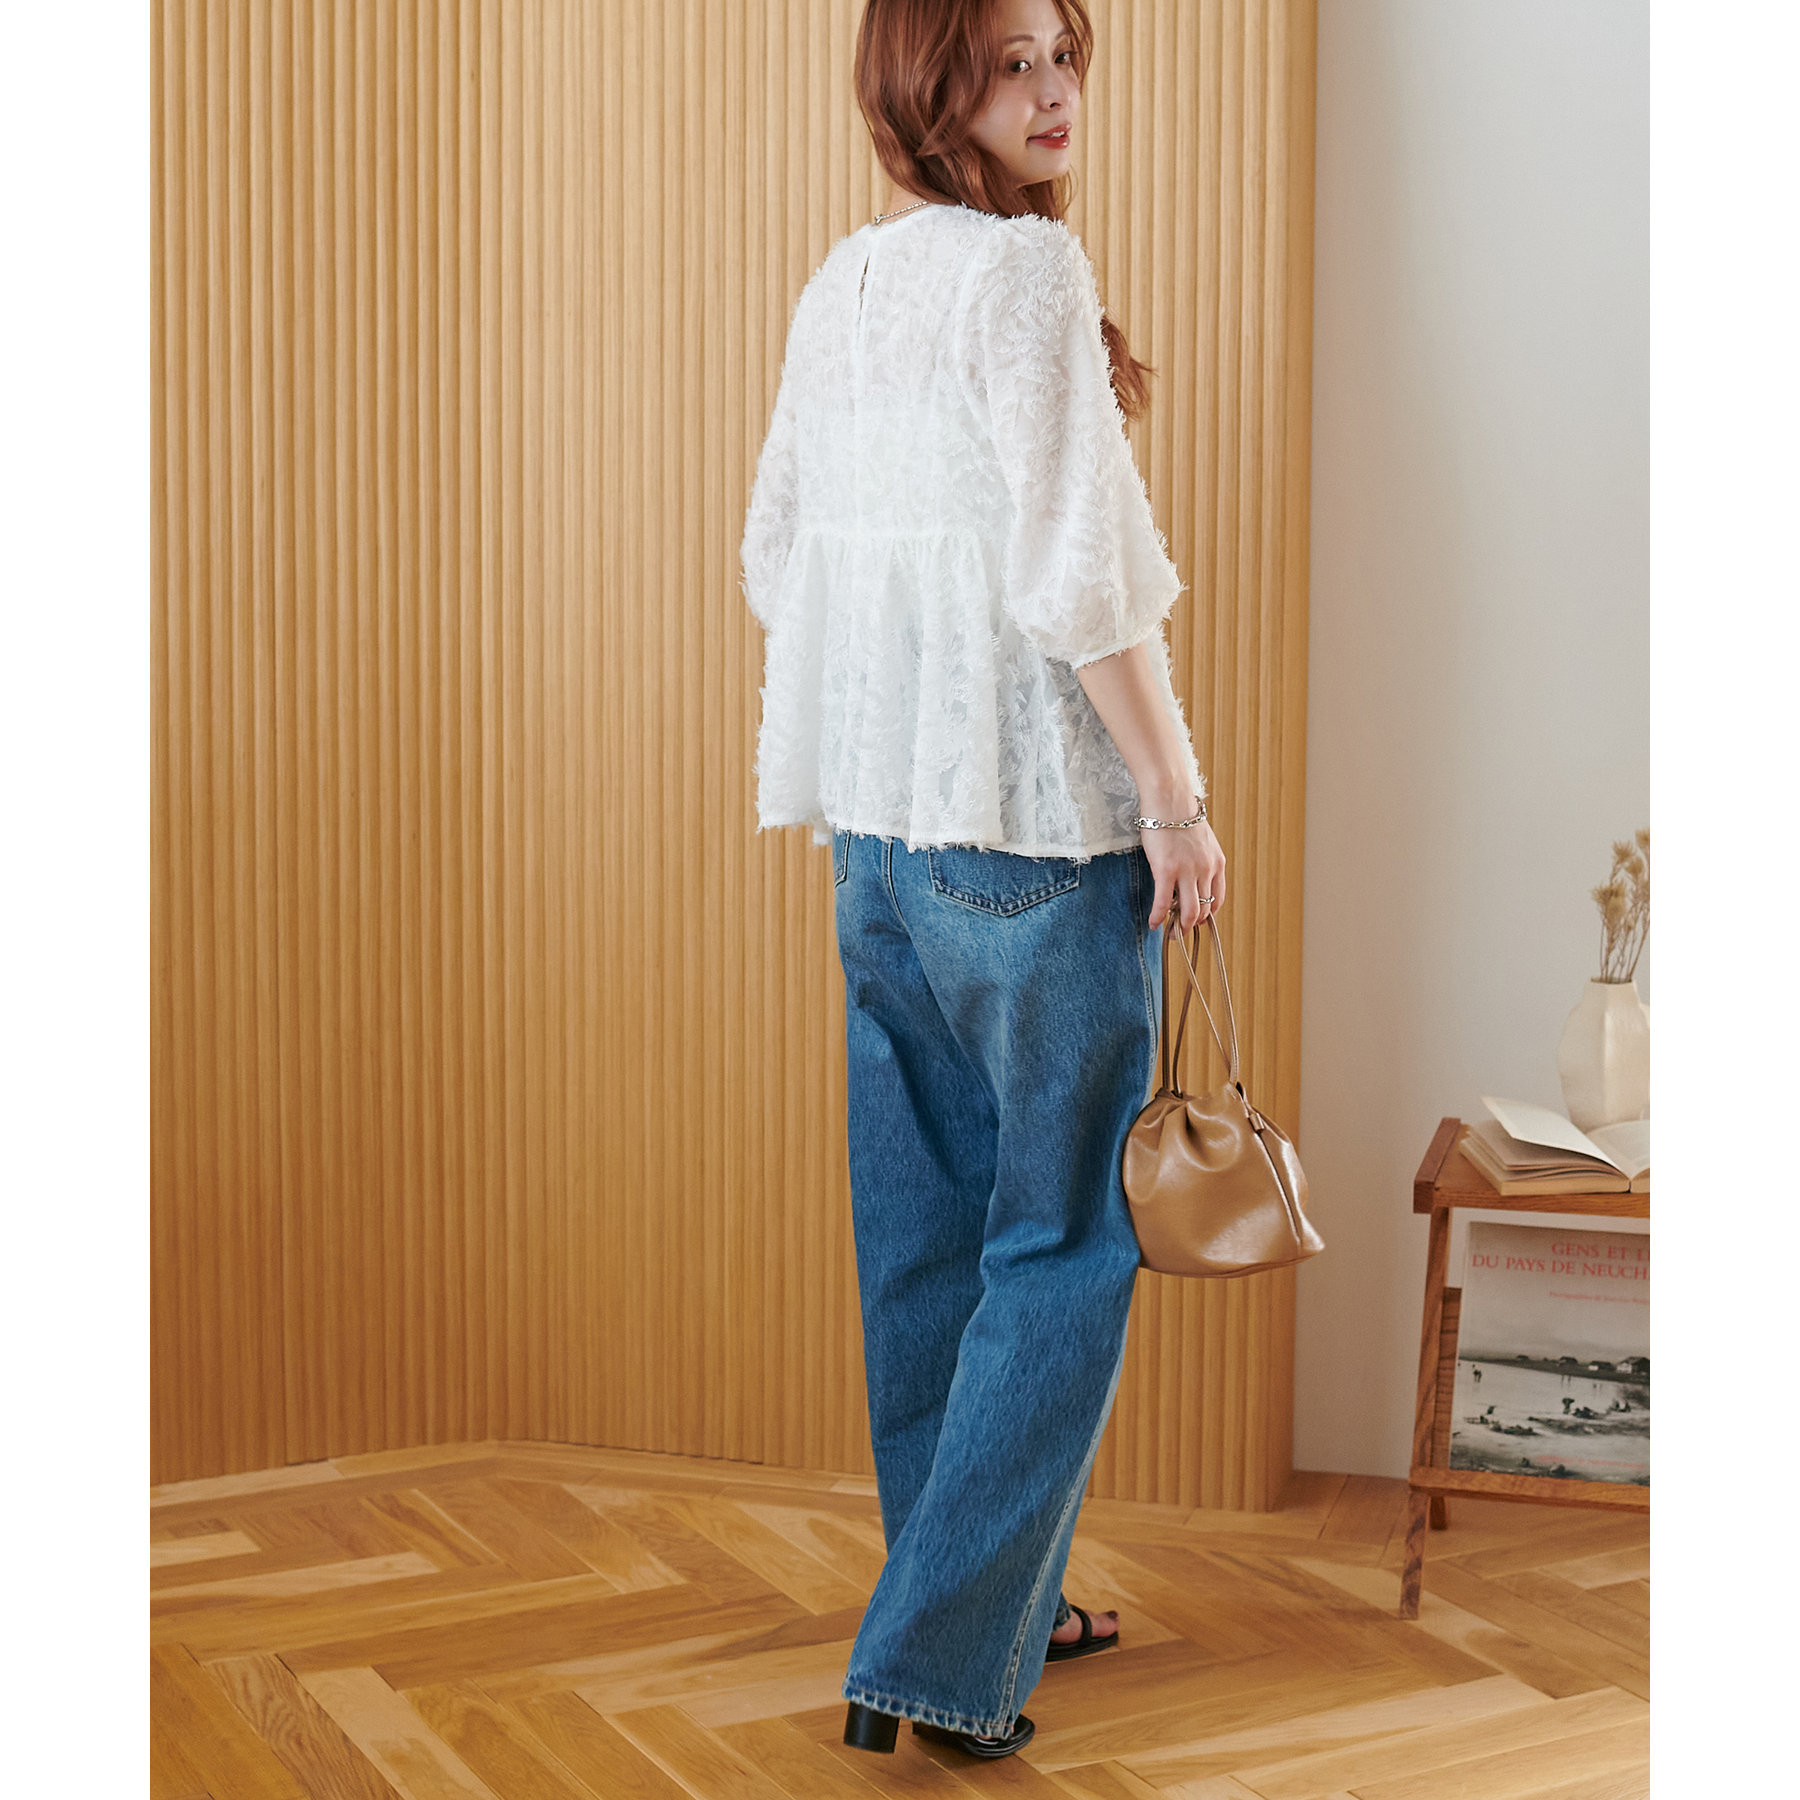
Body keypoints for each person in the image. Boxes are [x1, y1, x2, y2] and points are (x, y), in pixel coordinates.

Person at [737, 0, 1225, 1762]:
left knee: (925, 1247)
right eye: (1012, 61)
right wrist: (1173, 801)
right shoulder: (1024, 277)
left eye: (1064, 54)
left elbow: (774, 559)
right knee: (1061, 1245)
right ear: (925, 83)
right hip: (1035, 844)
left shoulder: (844, 284)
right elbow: (1083, 574)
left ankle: (980, 1611)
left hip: (878, 847)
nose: (1053, 90)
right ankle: (942, 1655)